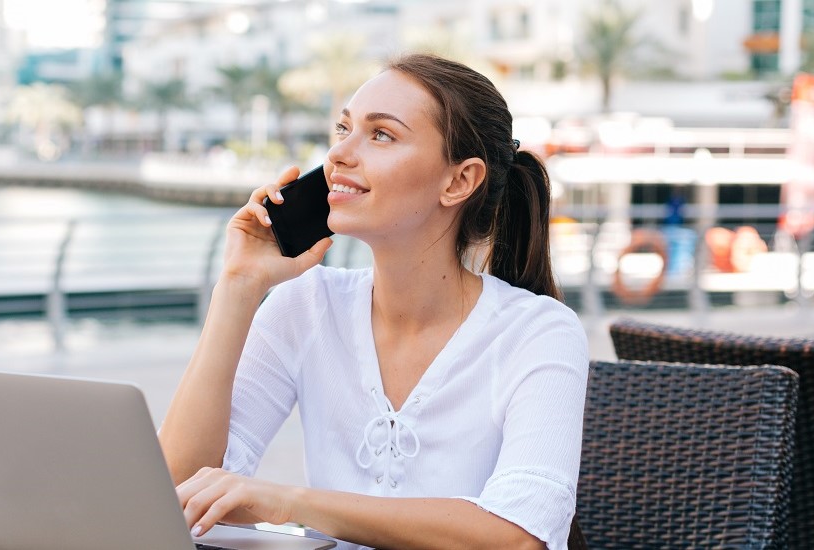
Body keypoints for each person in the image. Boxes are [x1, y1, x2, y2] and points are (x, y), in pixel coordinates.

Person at [158, 53, 588, 550]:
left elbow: (518, 537)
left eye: (381, 134)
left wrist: (293, 503)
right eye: (344, 129)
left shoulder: (538, 332)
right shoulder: (306, 306)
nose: (339, 154)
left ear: (459, 181)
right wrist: (237, 287)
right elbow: (174, 495)